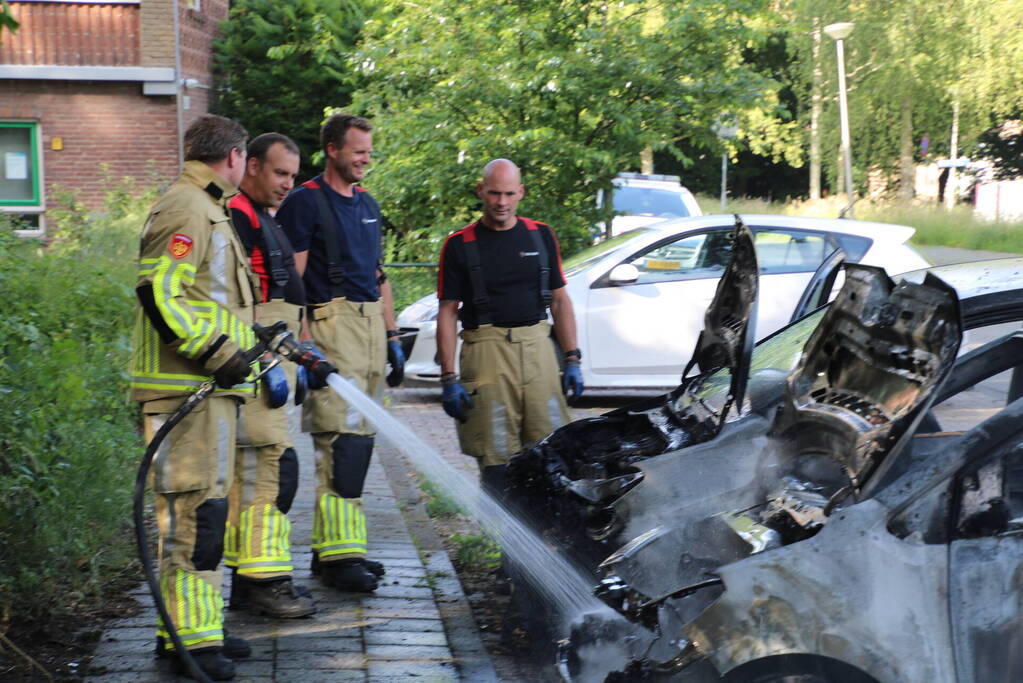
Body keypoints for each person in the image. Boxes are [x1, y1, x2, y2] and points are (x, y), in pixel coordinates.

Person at [130, 114, 256, 680]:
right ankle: (189, 641)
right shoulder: (185, 206)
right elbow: (158, 291)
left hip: (207, 394)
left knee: (207, 512)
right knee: (190, 515)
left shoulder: (207, 207)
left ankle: (197, 629)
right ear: (233, 156)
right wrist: (215, 352)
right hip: (185, 391)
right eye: (245, 159)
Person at [277, 113, 404, 592]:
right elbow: (292, 281)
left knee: (360, 443)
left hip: (369, 327)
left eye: (369, 151)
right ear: (332, 149)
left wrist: (393, 337)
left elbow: (378, 275)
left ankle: (340, 551)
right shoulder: (305, 203)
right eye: (358, 151)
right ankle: (337, 561)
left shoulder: (367, 204)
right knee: (339, 443)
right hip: (331, 326)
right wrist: (304, 344)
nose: (366, 159)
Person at [435, 158, 584, 497]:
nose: (501, 202)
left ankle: (547, 539)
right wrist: (448, 378)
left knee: (551, 450)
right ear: (480, 192)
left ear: (521, 193)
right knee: (496, 457)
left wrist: (572, 359)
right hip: (486, 352)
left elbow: (560, 301)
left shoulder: (540, 235)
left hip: (538, 349)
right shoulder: (459, 244)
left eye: (508, 194)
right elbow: (447, 311)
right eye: (493, 194)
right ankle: (503, 545)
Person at [223, 132, 316, 618]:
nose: (288, 184)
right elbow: (236, 298)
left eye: (294, 176)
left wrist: (297, 354)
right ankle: (263, 582)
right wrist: (261, 359)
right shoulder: (238, 214)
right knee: (269, 470)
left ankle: (250, 580)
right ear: (251, 165)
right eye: (280, 173)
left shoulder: (263, 216)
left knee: (265, 471)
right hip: (257, 359)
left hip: (272, 354)